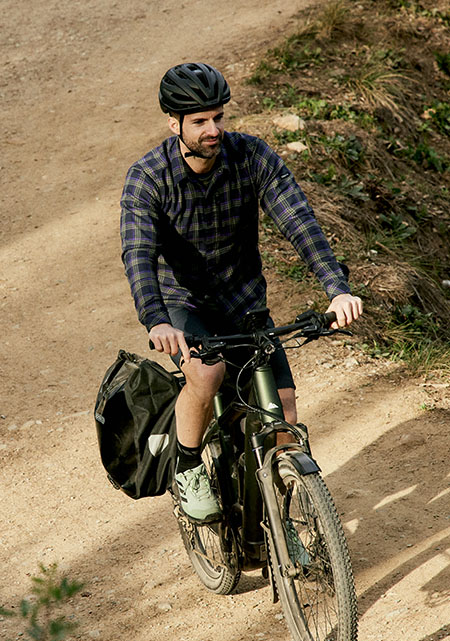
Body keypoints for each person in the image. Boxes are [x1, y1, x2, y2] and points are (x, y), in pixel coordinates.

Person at [120, 62, 363, 523]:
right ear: (174, 124)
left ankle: (281, 520)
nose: (214, 130)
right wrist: (156, 319)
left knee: (285, 417)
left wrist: (336, 289)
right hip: (183, 306)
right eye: (200, 122)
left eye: (218, 117)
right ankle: (187, 465)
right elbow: (138, 255)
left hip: (244, 303)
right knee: (207, 375)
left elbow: (299, 222)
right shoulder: (148, 178)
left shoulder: (251, 156)